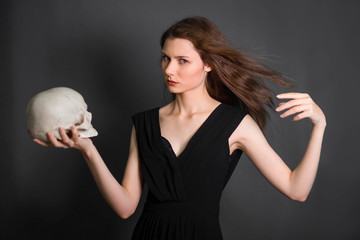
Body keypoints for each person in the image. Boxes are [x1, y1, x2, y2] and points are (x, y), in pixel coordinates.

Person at [34, 16, 326, 240]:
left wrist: (319, 126)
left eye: (182, 61)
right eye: (165, 58)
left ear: (208, 64)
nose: (169, 70)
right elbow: (125, 207)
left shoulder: (236, 124)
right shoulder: (145, 123)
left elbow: (296, 189)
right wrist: (87, 149)